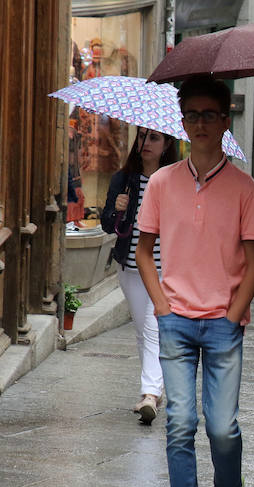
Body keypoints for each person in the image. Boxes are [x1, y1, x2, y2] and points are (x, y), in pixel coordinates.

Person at [136, 75, 254, 487]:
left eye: (210, 114)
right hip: (176, 320)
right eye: (192, 115)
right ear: (183, 121)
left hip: (224, 323)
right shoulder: (161, 183)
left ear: (225, 120)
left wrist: (233, 317)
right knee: (180, 424)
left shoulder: (246, 188)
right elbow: (142, 250)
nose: (200, 123)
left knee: (222, 428)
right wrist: (161, 306)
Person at [100, 127, 176, 425]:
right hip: (128, 267)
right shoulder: (123, 180)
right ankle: (155, 389)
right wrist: (116, 209)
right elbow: (108, 225)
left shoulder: (174, 181)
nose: (145, 143)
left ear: (167, 144)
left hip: (162, 268)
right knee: (143, 328)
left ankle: (149, 393)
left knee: (151, 326)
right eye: (142, 136)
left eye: (154, 138)